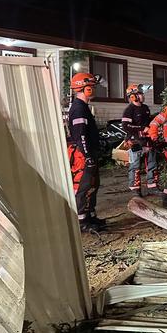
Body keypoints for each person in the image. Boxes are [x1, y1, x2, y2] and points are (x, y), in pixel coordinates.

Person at [67, 72, 106, 232]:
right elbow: (80, 134)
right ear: (86, 89)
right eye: (92, 87)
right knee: (83, 186)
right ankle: (82, 221)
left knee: (92, 185)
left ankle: (90, 216)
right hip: (83, 155)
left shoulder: (83, 107)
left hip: (88, 152)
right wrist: (88, 155)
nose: (94, 90)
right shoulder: (78, 109)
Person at [122, 84, 159, 196]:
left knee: (152, 163)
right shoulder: (129, 110)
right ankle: (135, 189)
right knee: (135, 166)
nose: (143, 96)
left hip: (148, 140)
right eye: (140, 94)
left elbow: (148, 122)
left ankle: (152, 186)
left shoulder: (145, 108)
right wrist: (142, 128)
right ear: (133, 96)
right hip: (135, 141)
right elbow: (126, 126)